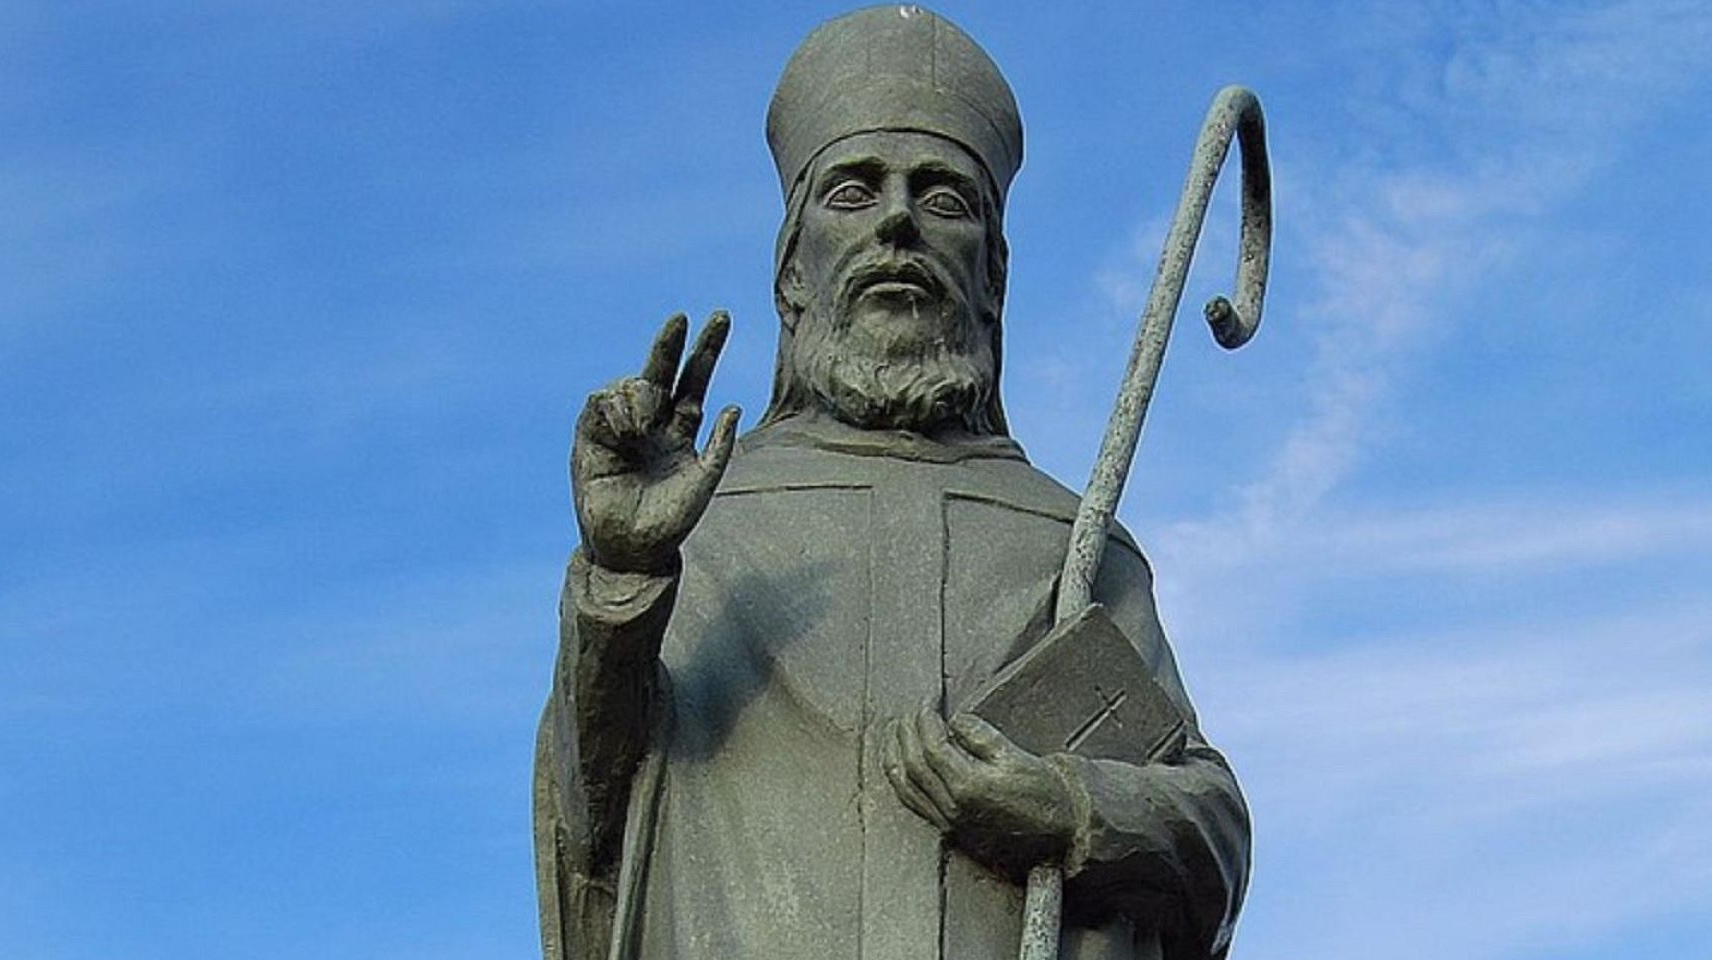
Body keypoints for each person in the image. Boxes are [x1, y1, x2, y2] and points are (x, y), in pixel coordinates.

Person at [533, 8, 1250, 959]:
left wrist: (1071, 807)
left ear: (992, 277)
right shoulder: (700, 529)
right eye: (853, 192)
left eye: (944, 199)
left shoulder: (1069, 548)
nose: (898, 222)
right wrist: (619, 585)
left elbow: (1211, 828)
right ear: (792, 270)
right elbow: (591, 827)